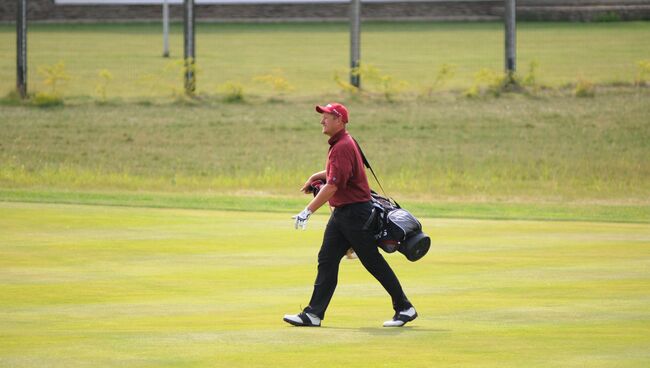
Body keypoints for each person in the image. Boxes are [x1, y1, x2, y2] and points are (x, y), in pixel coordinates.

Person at [283, 102, 417, 328]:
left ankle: (405, 307)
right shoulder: (343, 142)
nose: (321, 121)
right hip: (344, 214)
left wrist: (308, 211)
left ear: (339, 120)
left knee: (372, 262)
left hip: (356, 214)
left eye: (326, 117)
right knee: (327, 259)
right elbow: (337, 172)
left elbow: (333, 185)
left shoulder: (343, 145)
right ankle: (313, 314)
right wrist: (314, 176)